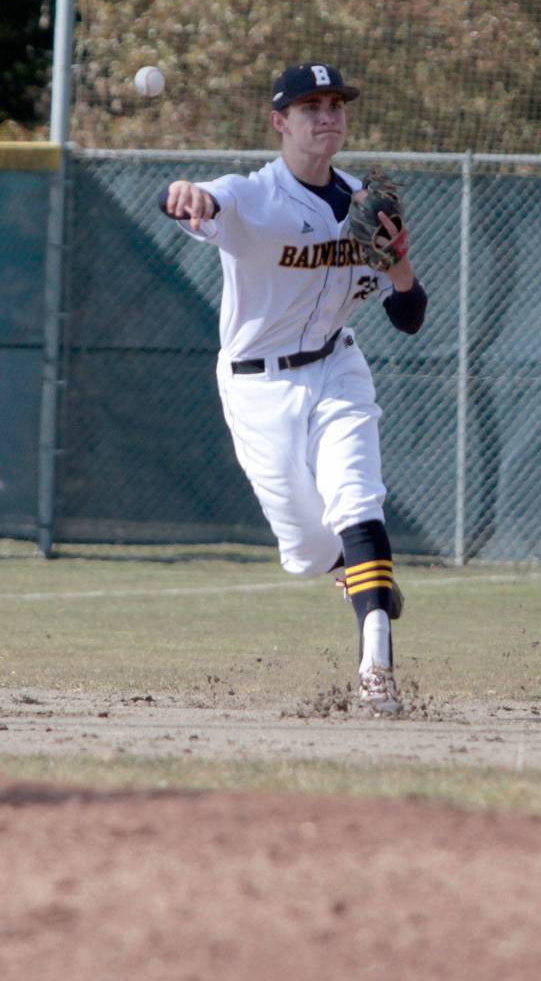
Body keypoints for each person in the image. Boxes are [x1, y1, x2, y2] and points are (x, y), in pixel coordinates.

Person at [159, 62, 428, 714]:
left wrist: (400, 267)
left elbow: (409, 316)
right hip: (259, 387)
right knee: (308, 550)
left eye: (336, 105)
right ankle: (361, 577)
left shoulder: (366, 203)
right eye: (311, 107)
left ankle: (376, 668)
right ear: (279, 121)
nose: (327, 117)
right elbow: (197, 199)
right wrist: (184, 192)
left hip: (337, 369)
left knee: (358, 499)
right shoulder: (253, 195)